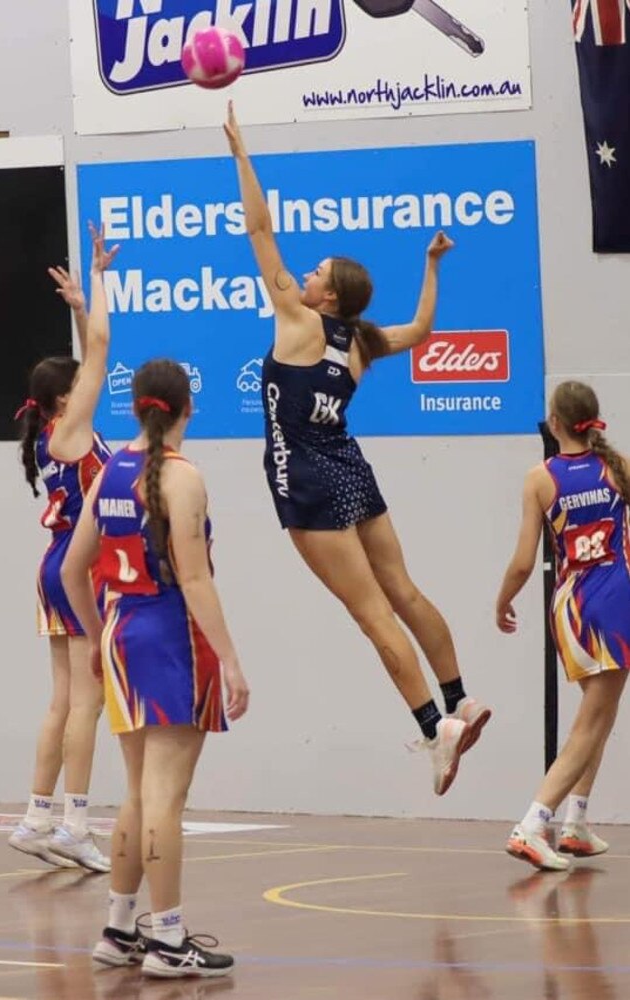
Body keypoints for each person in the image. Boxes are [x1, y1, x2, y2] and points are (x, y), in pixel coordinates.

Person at [223, 101, 490, 795]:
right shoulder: (362, 342)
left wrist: (243, 157)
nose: (304, 277)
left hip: (308, 478)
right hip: (350, 465)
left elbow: (258, 228)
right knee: (403, 589)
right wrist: (432, 265)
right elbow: (425, 330)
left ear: (329, 295)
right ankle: (460, 696)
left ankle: (437, 728)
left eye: (315, 274)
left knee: (371, 613)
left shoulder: (296, 319)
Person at [62, 359, 249, 979]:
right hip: (171, 636)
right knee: (167, 796)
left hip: (120, 633)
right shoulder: (180, 477)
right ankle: (168, 940)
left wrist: (94, 638)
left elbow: (70, 571)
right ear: (186, 409)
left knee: (140, 791)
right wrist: (231, 660)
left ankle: (119, 929)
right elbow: (194, 580)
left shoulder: (110, 468)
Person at [9, 226, 119, 873]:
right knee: (89, 701)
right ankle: (76, 823)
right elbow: (102, 348)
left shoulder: (57, 429)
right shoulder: (71, 430)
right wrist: (100, 285)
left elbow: (90, 350)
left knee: (62, 700)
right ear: (62, 398)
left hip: (53, 566)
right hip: (81, 569)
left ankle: (35, 817)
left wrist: (78, 307)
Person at [497, 380, 630, 870]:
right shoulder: (617, 469)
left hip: (570, 607)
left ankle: (574, 822)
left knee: (600, 714)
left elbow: (522, 563)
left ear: (554, 424)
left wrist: (502, 600)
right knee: (591, 722)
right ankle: (533, 823)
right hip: (613, 601)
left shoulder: (540, 477)